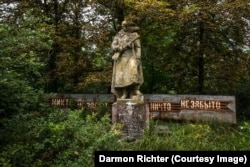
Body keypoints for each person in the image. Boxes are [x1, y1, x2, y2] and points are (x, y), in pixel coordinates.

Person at [111, 20, 144, 100]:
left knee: (133, 72)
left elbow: (138, 47)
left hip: (131, 56)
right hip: (121, 57)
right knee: (123, 75)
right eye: (123, 25)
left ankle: (135, 90)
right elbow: (113, 45)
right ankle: (124, 93)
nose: (124, 27)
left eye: (125, 25)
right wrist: (119, 48)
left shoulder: (134, 35)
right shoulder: (118, 35)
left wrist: (138, 57)